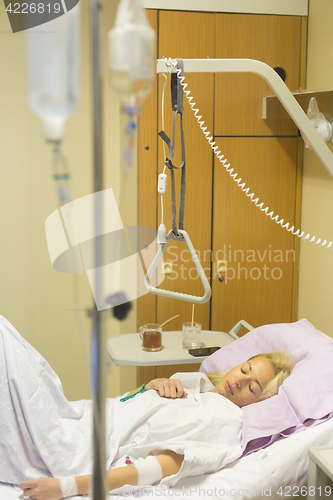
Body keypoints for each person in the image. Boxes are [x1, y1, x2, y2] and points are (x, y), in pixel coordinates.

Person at [19, 351, 293, 500]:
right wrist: (148, 386)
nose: (240, 380)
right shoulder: (199, 384)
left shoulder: (227, 420)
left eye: (252, 386)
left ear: (259, 402)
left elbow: (152, 470)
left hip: (88, 445)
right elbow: (127, 404)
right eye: (245, 369)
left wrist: (65, 488)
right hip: (85, 414)